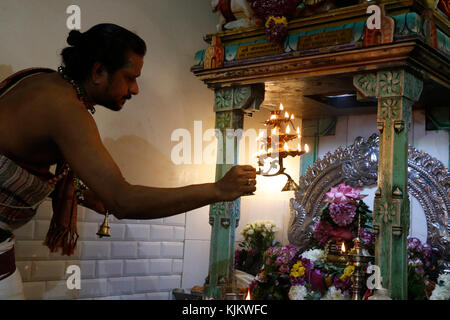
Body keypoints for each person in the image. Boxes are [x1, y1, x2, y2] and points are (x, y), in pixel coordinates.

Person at [0, 23, 257, 299]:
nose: (135, 89)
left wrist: (85, 193)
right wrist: (218, 190)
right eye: (129, 78)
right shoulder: (66, 108)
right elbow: (122, 200)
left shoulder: (42, 81)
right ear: (98, 71)